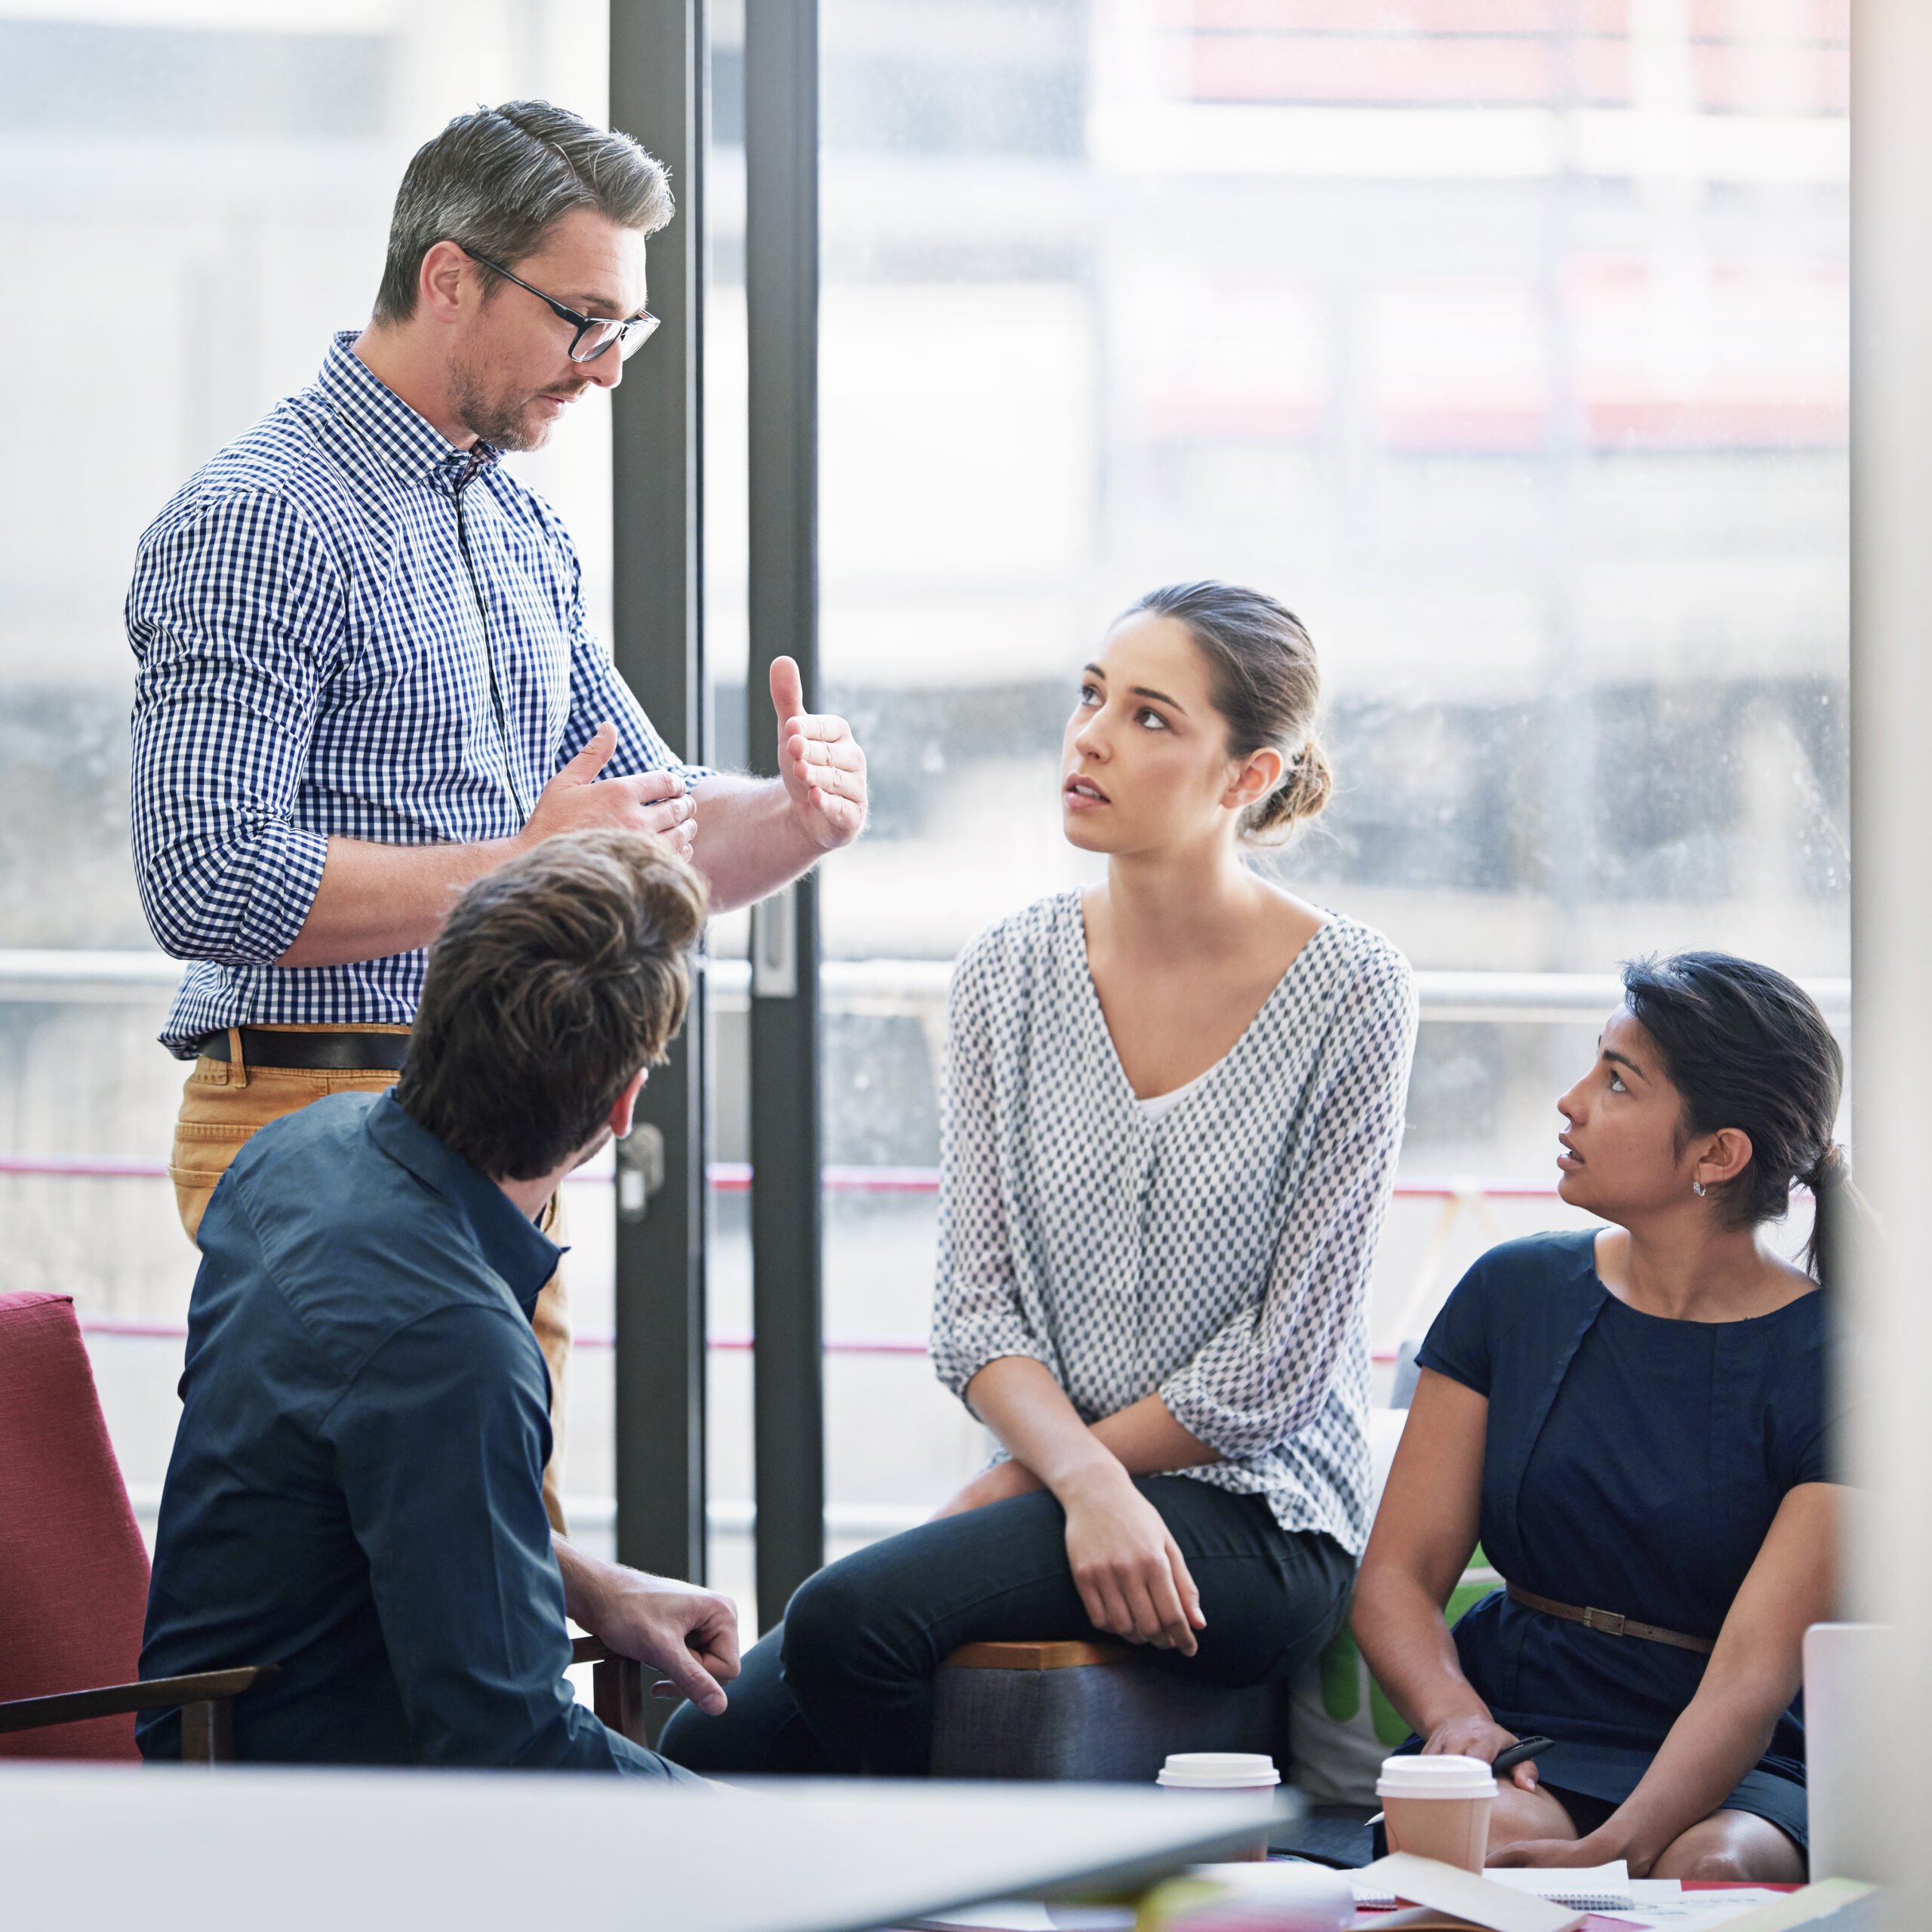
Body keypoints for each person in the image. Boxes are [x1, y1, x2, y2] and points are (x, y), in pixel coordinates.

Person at [125, 100, 868, 1531]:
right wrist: (519, 862)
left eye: (625, 334)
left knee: (494, 1574)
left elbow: (634, 834)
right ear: (450, 277)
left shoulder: (512, 519)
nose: (604, 370)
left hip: (497, 1131)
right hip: (316, 1113)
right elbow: (209, 879)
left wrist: (793, 816)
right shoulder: (262, 518)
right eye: (582, 319)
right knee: (409, 1610)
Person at [662, 580, 1419, 1776]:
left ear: (1249, 776)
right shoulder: (1006, 972)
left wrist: (1049, 1474)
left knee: (845, 1624)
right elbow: (976, 1315)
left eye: (1153, 718)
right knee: (708, 1737)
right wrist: (1071, 1478)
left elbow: (1282, 1364)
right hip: (1061, 1495)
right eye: (1091, 696)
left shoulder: (1353, 991)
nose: (1093, 738)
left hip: (1261, 1517)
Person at [139, 831, 734, 1772]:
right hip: (329, 1828)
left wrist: (581, 1581)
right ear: (621, 1107)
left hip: (223, 1754)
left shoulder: (294, 1154)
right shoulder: (457, 1346)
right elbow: (516, 1754)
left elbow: (355, 1498)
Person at [1352, 952, 1850, 1881]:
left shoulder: (1842, 1359)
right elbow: (1395, 1578)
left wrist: (1613, 1850)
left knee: (1714, 1873)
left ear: (1717, 1153)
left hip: (1739, 1748)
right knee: (1484, 1844)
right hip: (1525, 1721)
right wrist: (1457, 1720)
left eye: (1617, 1081)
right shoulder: (1512, 1291)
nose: (1570, 1101)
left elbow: (1750, 1675)